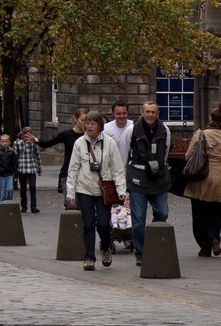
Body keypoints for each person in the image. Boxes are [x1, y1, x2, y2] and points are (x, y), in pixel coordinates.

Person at [65, 111, 127, 271]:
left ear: (100, 125)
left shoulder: (109, 143)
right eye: (87, 123)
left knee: (103, 224)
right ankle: (89, 257)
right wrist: (70, 193)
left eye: (93, 123)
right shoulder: (79, 143)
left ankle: (106, 247)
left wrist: (121, 190)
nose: (89, 126)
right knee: (88, 224)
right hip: (84, 188)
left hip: (103, 189)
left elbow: (117, 168)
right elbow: (72, 169)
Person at [184, 103, 221, 258]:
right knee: (216, 212)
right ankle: (214, 236)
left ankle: (204, 247)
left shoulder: (200, 134)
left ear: (210, 119)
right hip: (220, 177)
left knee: (199, 212)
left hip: (201, 175)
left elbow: (188, 155)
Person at [121, 101, 171, 266]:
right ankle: (141, 252)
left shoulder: (165, 130)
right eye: (147, 112)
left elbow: (166, 153)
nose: (150, 115)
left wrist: (158, 167)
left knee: (162, 213)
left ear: (158, 114)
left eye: (153, 112)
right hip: (138, 177)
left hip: (159, 178)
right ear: (142, 112)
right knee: (138, 219)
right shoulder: (132, 130)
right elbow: (124, 154)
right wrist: (122, 181)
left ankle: (154, 242)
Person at [39, 108, 87, 196]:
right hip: (68, 171)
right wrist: (36, 140)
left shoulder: (89, 136)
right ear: (75, 119)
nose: (84, 123)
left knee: (83, 204)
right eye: (82, 120)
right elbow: (47, 144)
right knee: (70, 204)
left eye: (86, 121)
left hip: (85, 173)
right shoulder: (66, 134)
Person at [13, 127, 42, 213]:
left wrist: (39, 169)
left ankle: (33, 206)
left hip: (32, 167)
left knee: (32, 187)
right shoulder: (17, 143)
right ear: (22, 134)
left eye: (29, 134)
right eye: (25, 135)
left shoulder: (34, 143)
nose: (27, 137)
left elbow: (37, 155)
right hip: (22, 168)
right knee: (23, 188)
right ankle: (24, 206)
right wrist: (15, 170)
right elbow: (15, 156)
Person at [0, 133, 18, 202]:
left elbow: (15, 163)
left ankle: (9, 203)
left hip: (9, 173)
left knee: (10, 189)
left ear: (9, 142)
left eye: (6, 141)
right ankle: (2, 205)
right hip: (1, 174)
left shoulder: (12, 151)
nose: (4, 143)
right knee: (2, 191)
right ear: (0, 142)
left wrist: (16, 174)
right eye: (3, 141)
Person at [102, 100, 133, 165]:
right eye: (118, 113)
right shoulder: (105, 128)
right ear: (113, 114)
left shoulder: (133, 127)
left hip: (129, 164)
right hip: (111, 164)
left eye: (124, 113)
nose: (122, 116)